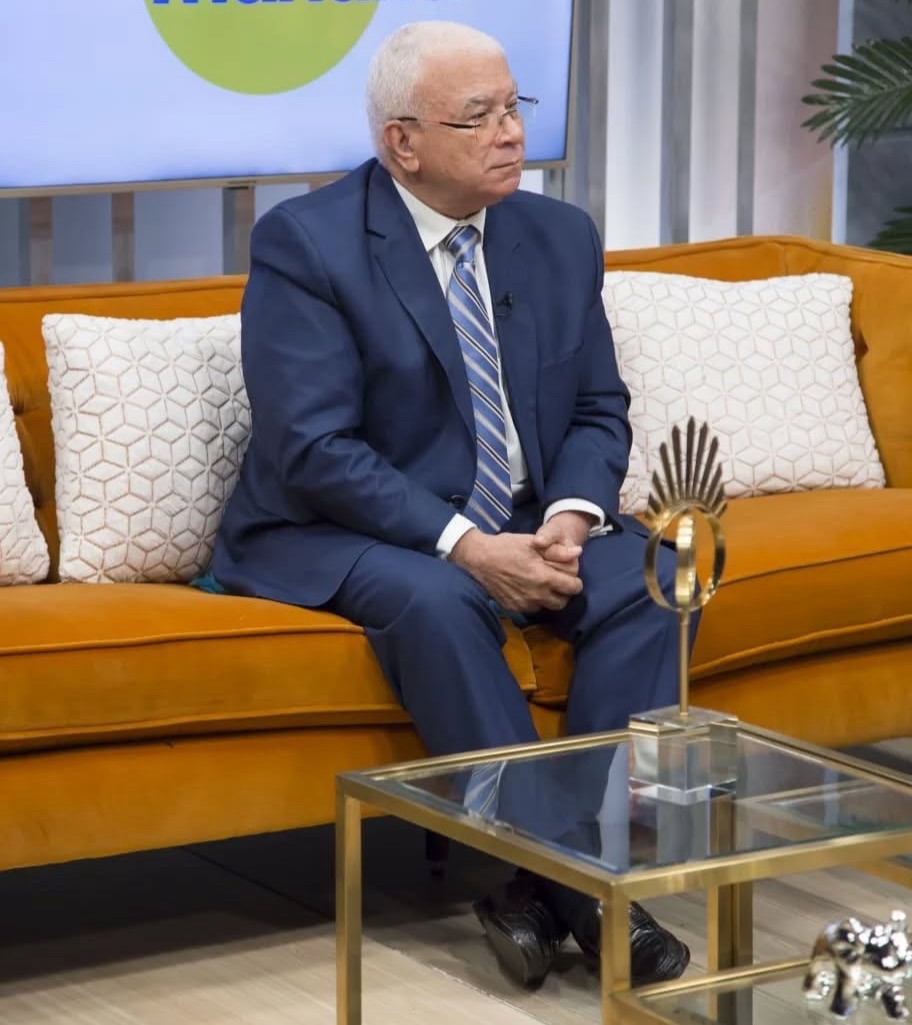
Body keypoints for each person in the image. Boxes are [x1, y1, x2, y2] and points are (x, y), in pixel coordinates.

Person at [211, 20, 695, 990]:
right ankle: (592, 897)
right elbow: (312, 448)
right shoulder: (307, 244)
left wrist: (569, 517)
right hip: (341, 526)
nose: (513, 133)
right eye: (481, 117)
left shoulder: (558, 236)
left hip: (524, 513)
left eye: (517, 106)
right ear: (404, 142)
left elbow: (599, 407)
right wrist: (467, 544)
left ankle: (538, 883)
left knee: (657, 573)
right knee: (439, 598)